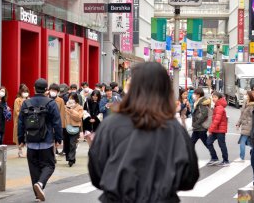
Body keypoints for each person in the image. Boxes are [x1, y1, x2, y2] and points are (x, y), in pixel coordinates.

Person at [88, 62, 199, 202]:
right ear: (165, 90)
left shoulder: (110, 125)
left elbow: (97, 171)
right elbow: (189, 177)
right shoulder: (174, 130)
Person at [18, 78, 62, 202]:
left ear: (33, 88)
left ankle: (37, 195)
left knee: (34, 167)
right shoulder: (51, 103)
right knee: (49, 165)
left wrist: (21, 138)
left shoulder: (26, 103)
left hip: (31, 141)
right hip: (46, 140)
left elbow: (20, 122)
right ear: (46, 90)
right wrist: (58, 138)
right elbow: (57, 122)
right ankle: (40, 184)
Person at [206, 91, 229, 167]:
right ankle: (214, 158)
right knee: (209, 142)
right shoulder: (217, 106)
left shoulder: (219, 107)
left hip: (220, 130)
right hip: (216, 129)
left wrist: (210, 129)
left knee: (221, 145)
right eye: (213, 97)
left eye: (215, 97)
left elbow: (216, 120)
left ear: (219, 98)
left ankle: (226, 161)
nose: (213, 98)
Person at [64, 92, 83, 167]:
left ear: (76, 99)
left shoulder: (79, 107)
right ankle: (69, 158)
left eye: (72, 98)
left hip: (74, 127)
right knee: (67, 144)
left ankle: (71, 159)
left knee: (72, 143)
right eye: (69, 98)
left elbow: (78, 117)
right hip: (66, 127)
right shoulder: (65, 106)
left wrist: (71, 110)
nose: (70, 100)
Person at [236, 90, 254, 161]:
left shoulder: (252, 106)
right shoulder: (246, 103)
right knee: (250, 142)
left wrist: (248, 122)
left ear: (250, 96)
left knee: (242, 141)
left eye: (247, 95)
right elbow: (242, 115)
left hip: (248, 126)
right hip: (246, 126)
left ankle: (241, 157)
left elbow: (253, 116)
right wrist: (238, 124)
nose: (246, 96)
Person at [48, 83, 66, 156]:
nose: (53, 91)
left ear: (57, 91)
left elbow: (62, 113)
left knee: (56, 139)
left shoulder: (60, 100)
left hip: (56, 122)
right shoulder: (46, 98)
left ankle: (54, 152)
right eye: (52, 90)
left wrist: (62, 125)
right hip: (48, 122)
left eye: (55, 90)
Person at [13, 84, 30, 158]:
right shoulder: (17, 100)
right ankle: (20, 150)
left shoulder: (29, 99)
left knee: (28, 135)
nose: (25, 93)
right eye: (23, 91)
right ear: (20, 92)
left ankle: (28, 151)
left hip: (28, 121)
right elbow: (16, 111)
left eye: (26, 91)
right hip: (20, 120)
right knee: (19, 135)